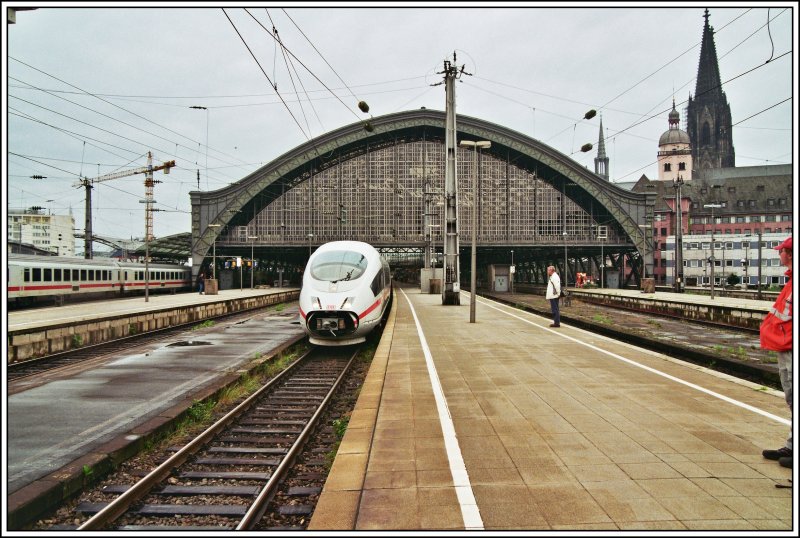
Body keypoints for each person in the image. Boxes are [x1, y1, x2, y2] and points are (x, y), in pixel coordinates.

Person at [760, 236, 793, 469]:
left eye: (781, 251)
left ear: (790, 254)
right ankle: (792, 446)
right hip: (785, 347)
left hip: (791, 347)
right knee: (792, 398)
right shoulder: (791, 281)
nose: (778, 254)